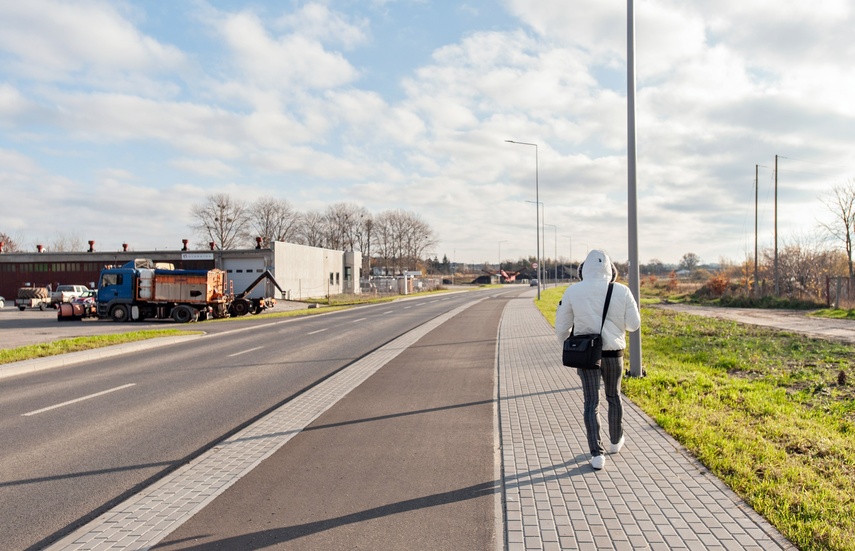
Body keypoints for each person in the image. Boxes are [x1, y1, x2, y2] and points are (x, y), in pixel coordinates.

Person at [555, 249, 641, 471]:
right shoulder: (622, 291)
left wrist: (568, 341)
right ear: (611, 271)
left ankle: (596, 454)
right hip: (614, 354)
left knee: (591, 402)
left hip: (586, 355)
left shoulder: (573, 291)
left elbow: (561, 327)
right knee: (614, 396)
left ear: (582, 270)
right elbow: (634, 325)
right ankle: (615, 442)